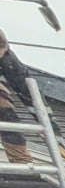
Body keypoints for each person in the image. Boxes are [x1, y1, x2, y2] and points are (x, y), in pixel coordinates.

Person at [0, 29, 36, 164]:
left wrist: (51, 128)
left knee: (3, 105)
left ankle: (20, 158)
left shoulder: (8, 60)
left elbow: (27, 91)